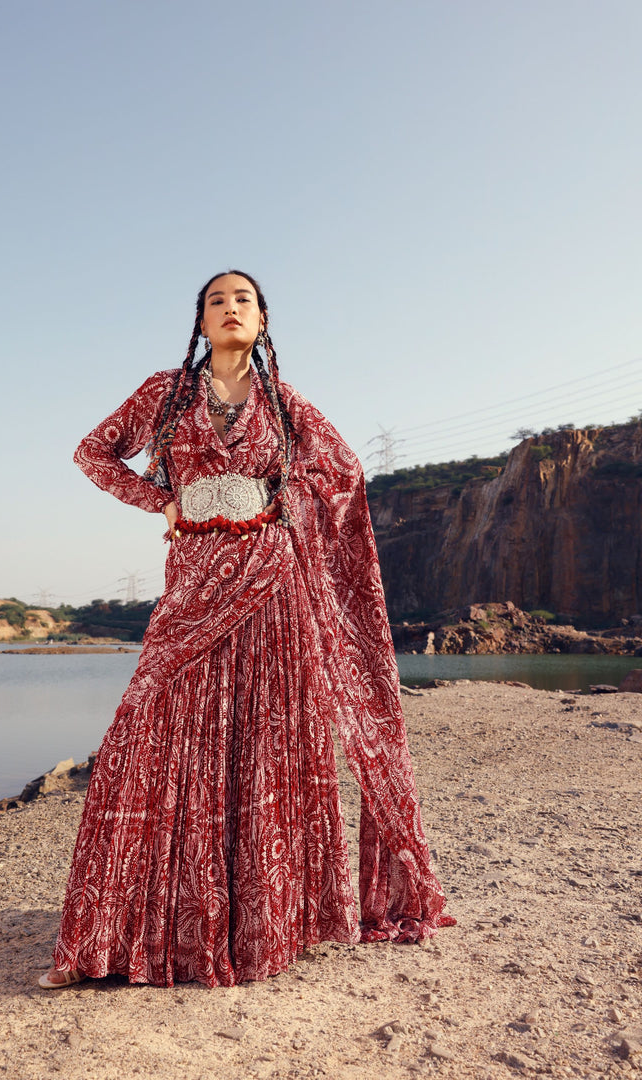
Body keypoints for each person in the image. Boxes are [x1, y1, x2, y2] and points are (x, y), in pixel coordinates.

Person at [39, 270, 454, 990]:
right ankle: (129, 929)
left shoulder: (284, 405)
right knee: (146, 730)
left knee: (264, 741)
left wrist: (283, 504)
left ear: (264, 320)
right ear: (199, 322)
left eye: (244, 301)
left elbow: (347, 474)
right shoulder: (162, 394)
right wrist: (160, 501)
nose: (230, 309)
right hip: (194, 577)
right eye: (216, 301)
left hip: (272, 581)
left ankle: (271, 924)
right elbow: (91, 453)